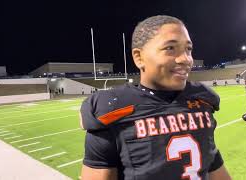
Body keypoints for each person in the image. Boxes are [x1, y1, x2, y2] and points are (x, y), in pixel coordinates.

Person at [80, 15, 231, 180]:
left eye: (188, 49)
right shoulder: (112, 111)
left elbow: (212, 161)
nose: (186, 59)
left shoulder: (202, 100)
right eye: (170, 48)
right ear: (139, 57)